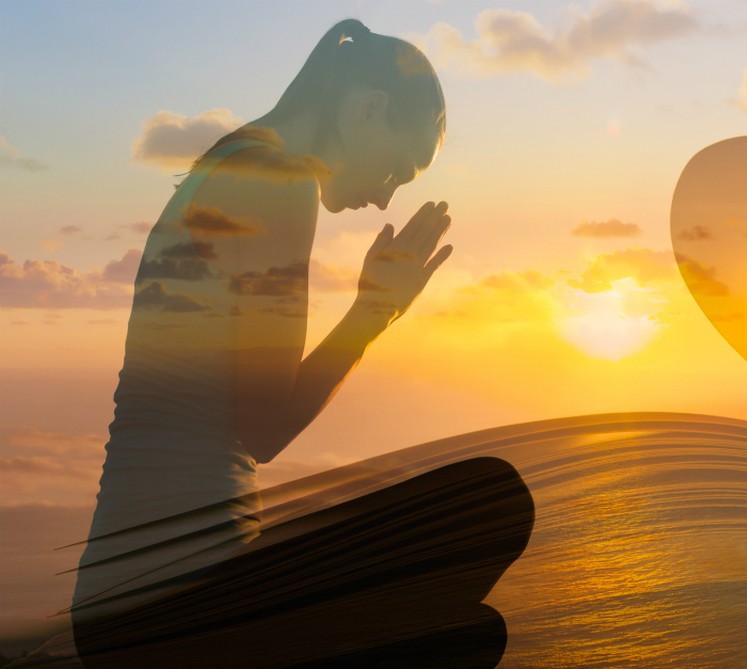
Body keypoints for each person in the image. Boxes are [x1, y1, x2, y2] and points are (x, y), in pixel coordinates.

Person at [68, 19, 533, 669]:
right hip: (175, 608)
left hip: (122, 605)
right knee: (493, 502)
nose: (384, 197)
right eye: (398, 166)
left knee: (467, 632)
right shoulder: (277, 182)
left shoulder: (233, 160)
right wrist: (373, 313)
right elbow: (264, 428)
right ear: (368, 109)